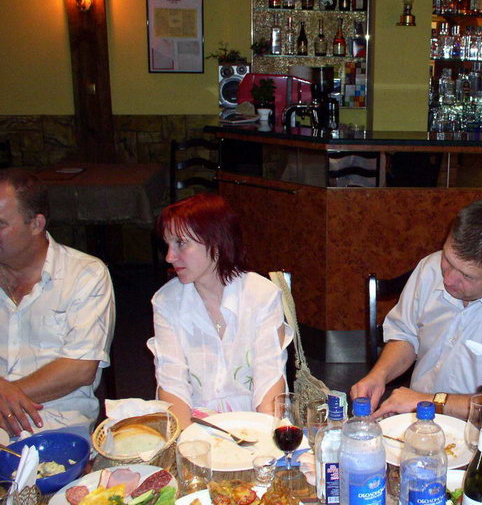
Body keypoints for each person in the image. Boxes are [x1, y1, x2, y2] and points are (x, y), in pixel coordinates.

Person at [351, 198, 482, 425]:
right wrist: (379, 375)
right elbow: (406, 335)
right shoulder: (430, 267)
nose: (448, 279)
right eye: (447, 259)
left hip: (480, 428)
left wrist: (427, 401)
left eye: (467, 275)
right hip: (420, 419)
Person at [147, 193, 292, 429]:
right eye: (168, 244)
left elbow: (270, 380)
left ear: (216, 242)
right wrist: (190, 442)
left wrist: (263, 438)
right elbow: (173, 386)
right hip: (193, 423)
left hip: (254, 421)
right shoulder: (167, 301)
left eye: (181, 243)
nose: (169, 257)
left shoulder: (261, 295)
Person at [0, 170, 115, 438]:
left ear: (36, 224)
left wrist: (5, 396)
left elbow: (79, 369)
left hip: (54, 423)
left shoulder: (84, 274)